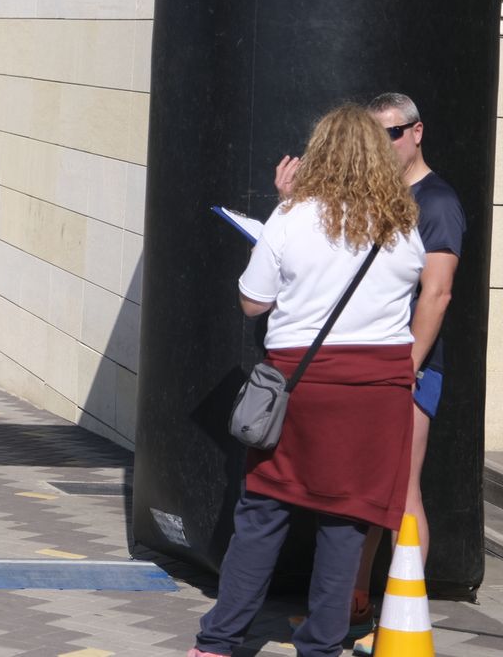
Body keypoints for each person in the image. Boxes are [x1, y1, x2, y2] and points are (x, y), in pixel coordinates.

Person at [190, 105, 425, 657]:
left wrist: (283, 210)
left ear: (318, 154)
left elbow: (253, 303)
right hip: (377, 392)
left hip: (302, 385)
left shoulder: (291, 219)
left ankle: (219, 640)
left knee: (263, 513)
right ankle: (321, 645)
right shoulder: (403, 223)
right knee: (347, 521)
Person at [274, 93, 464, 654]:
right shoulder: (379, 198)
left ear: (417, 132)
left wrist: (405, 369)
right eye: (374, 136)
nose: (384, 147)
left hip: (405, 371)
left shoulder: (438, 203)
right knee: (359, 494)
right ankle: (351, 605)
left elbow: (437, 293)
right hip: (370, 370)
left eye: (394, 135)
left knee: (402, 494)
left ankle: (401, 622)